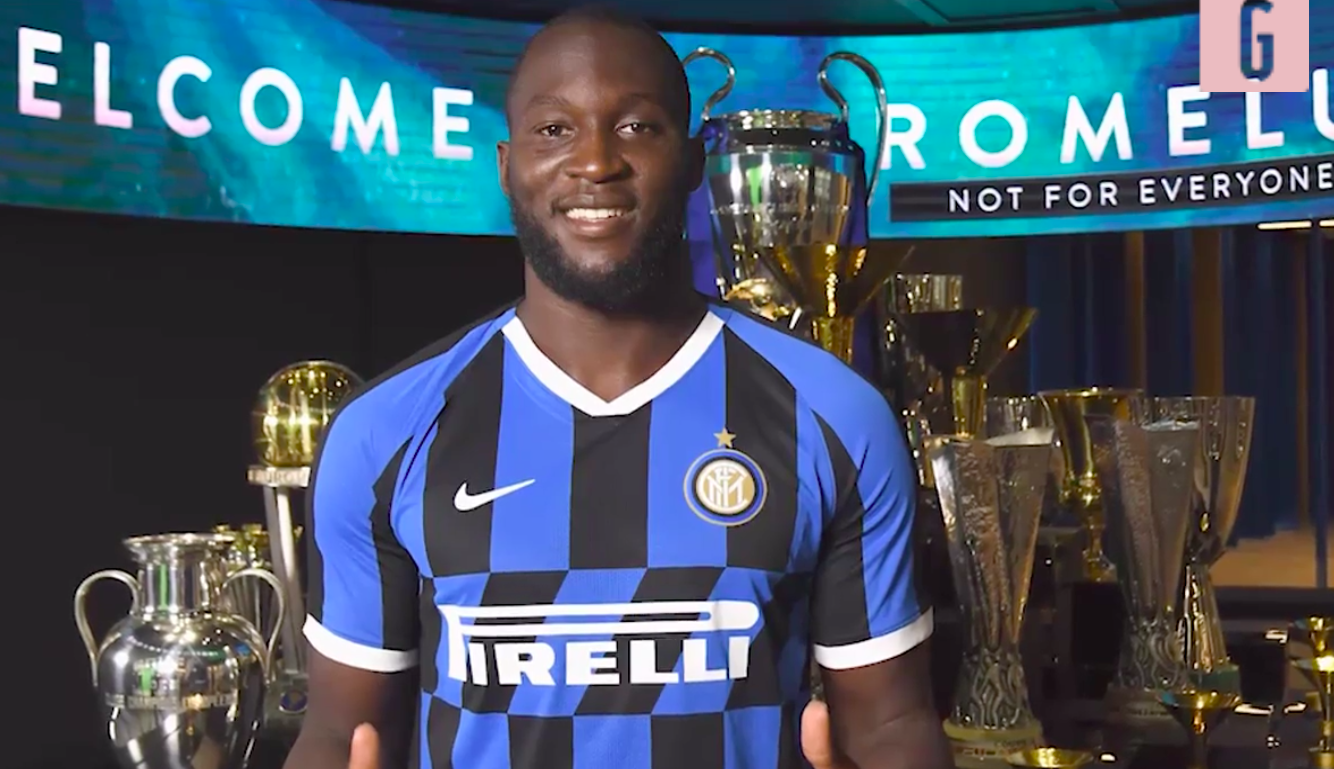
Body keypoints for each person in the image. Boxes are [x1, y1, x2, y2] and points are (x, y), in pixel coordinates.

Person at [282, 7, 951, 769]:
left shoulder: (835, 416)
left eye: (636, 127)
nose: (595, 162)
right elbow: (337, 733)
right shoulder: (384, 430)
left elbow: (890, 724)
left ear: (694, 163)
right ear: (506, 165)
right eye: (553, 130)